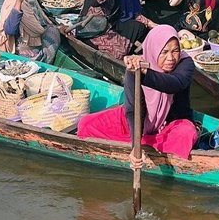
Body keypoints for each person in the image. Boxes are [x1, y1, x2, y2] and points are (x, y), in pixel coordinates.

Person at [77, 25, 199, 165]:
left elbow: (175, 84)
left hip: (169, 123)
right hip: (139, 123)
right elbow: (132, 110)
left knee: (186, 133)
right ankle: (144, 144)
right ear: (154, 50)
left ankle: (146, 143)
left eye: (175, 51)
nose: (170, 58)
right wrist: (136, 147)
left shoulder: (185, 62)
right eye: (164, 52)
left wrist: (146, 72)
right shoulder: (135, 69)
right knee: (86, 124)